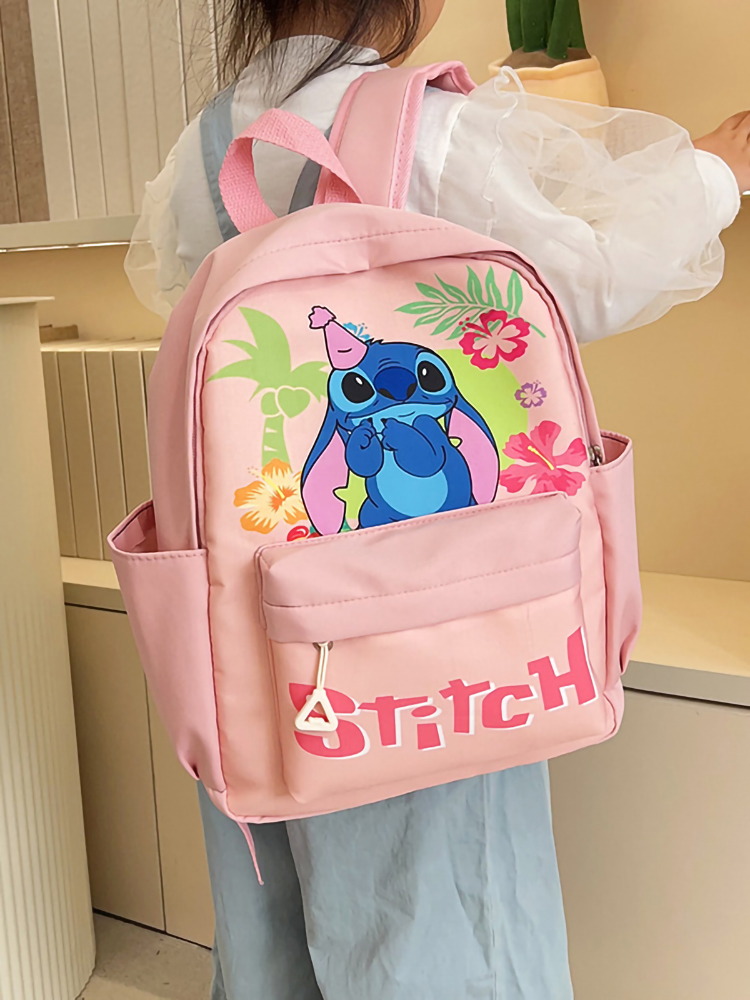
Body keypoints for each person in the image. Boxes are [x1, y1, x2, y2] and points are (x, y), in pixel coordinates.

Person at [125, 3, 750, 998]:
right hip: (426, 623)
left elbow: (181, 308)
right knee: (453, 907)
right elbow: (582, 281)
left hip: (250, 611)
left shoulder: (201, 151)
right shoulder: (429, 128)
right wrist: (716, 171)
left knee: (275, 890)